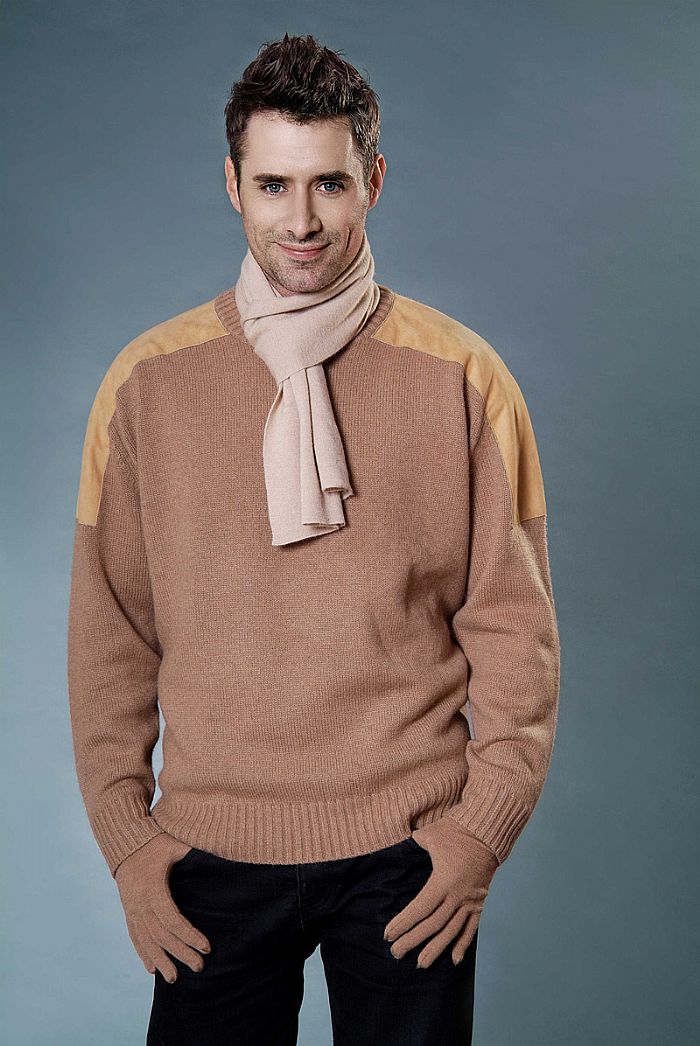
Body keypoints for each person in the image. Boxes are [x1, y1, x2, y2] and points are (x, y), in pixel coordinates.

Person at [67, 32, 560, 1046]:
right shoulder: (146, 382)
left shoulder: (465, 377)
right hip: (208, 849)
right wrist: (128, 841)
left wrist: (479, 832)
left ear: (372, 182)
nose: (300, 221)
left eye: (329, 184)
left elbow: (516, 631)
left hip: (409, 852)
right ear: (233, 186)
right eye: (273, 185)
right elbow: (111, 634)